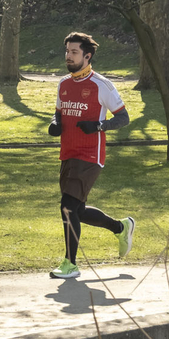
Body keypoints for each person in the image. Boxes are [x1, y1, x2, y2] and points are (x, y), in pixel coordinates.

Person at [48, 32, 135, 279]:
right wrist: (55, 123)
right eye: (67, 51)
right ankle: (121, 227)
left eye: (74, 52)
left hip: (89, 155)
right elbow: (58, 113)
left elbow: (123, 118)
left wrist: (98, 126)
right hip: (68, 153)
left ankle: (70, 264)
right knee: (78, 210)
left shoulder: (102, 85)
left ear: (87, 56)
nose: (69, 56)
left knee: (67, 207)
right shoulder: (63, 83)